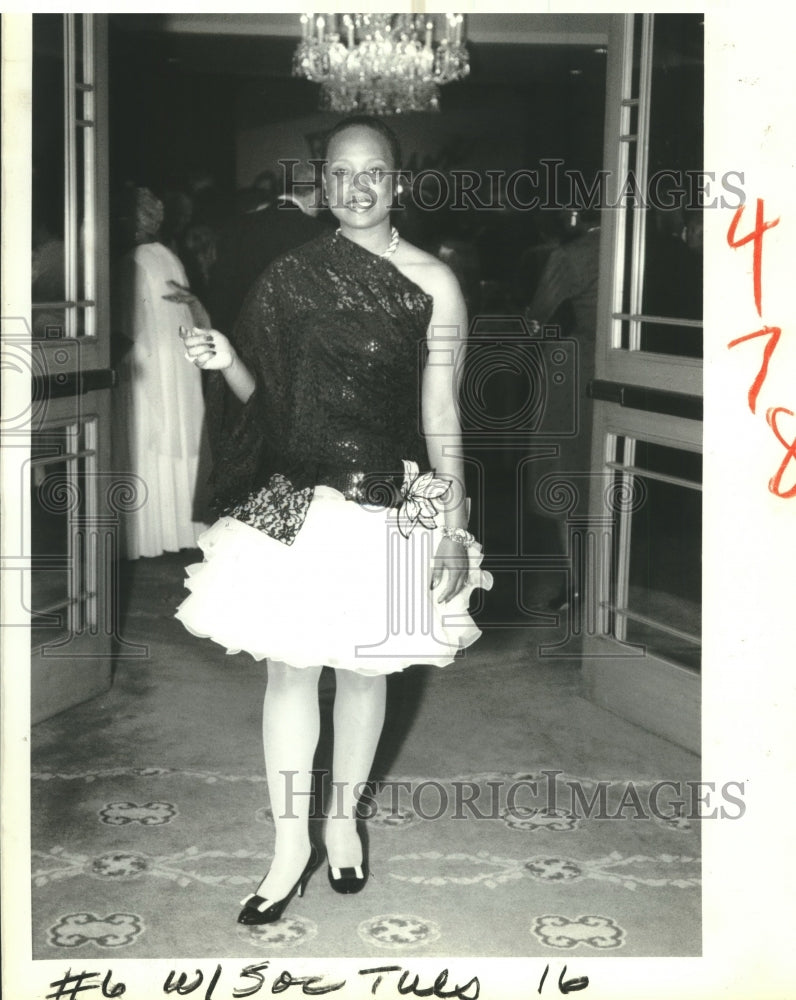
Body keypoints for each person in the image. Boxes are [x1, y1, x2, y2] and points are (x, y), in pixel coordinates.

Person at [175, 116, 492, 924]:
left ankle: (342, 819)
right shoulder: (289, 276)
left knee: (364, 669)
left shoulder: (434, 283)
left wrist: (452, 523)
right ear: (323, 185)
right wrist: (227, 360)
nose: (357, 188)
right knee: (290, 670)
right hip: (292, 494)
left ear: (399, 183)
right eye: (341, 174)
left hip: (387, 495)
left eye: (374, 173)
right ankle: (289, 846)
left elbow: (442, 416)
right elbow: (268, 408)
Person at [113, 186, 209, 559]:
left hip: (148, 367)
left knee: (146, 444)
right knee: (175, 445)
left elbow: (127, 328)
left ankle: (147, 536)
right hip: (175, 366)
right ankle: (180, 530)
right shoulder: (169, 256)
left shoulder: (130, 261)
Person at [205, 160, 329, 339]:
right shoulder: (320, 233)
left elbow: (220, 295)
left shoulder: (236, 227)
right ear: (317, 194)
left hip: (242, 346)